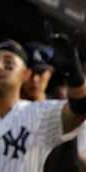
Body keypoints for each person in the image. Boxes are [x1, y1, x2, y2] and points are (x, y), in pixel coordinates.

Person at [0, 38, 86, 172]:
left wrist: (75, 75)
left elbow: (78, 110)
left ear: (25, 74)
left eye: (8, 64)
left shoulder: (39, 113)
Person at [21, 41, 81, 172]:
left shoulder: (60, 113)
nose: (35, 79)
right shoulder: (5, 110)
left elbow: (69, 162)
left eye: (41, 72)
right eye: (30, 73)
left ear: (50, 72)